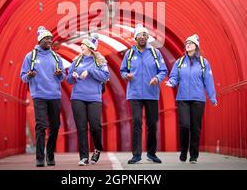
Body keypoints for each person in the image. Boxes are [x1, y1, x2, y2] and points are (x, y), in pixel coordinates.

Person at [120, 24, 168, 164]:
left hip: (151, 93)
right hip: (134, 94)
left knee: (152, 124)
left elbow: (163, 71)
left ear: (148, 38)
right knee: (136, 122)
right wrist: (126, 75)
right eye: (140, 35)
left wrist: (157, 79)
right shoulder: (129, 54)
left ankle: (152, 153)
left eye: (145, 35)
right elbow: (122, 70)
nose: (142, 37)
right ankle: (136, 155)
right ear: (135, 38)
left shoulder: (155, 53)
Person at [166, 34, 217, 164]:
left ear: (196, 46)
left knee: (196, 128)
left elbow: (209, 81)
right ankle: (184, 150)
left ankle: (193, 155)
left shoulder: (203, 63)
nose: (187, 44)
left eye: (191, 43)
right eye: (186, 43)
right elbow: (174, 76)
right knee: (184, 125)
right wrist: (171, 82)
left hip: (198, 99)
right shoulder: (179, 62)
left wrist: (212, 97)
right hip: (182, 98)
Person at [20, 26, 65, 167]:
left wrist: (60, 75)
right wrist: (29, 75)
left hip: (54, 95)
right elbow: (22, 77)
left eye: (51, 39)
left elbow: (63, 76)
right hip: (39, 95)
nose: (50, 41)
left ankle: (50, 154)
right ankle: (40, 158)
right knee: (40, 126)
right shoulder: (30, 57)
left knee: (55, 126)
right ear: (40, 40)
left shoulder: (56, 58)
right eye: (47, 39)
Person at [66, 33, 110, 166]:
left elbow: (105, 76)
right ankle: (83, 157)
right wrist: (73, 76)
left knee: (95, 126)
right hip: (77, 97)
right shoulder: (76, 61)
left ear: (90, 47)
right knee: (81, 127)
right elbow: (68, 80)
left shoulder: (99, 62)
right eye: (81, 45)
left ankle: (97, 148)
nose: (81, 46)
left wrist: (90, 72)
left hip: (94, 98)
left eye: (83, 45)